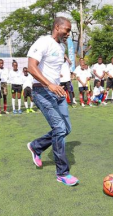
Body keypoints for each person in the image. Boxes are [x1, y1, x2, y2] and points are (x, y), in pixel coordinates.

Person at [27, 16, 79, 186]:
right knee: (59, 128)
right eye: (67, 30)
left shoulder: (61, 45)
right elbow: (31, 67)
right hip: (42, 90)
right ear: (57, 27)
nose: (69, 33)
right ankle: (62, 173)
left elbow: (55, 59)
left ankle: (36, 146)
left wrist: (66, 59)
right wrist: (48, 84)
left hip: (57, 90)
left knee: (66, 129)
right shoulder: (43, 42)